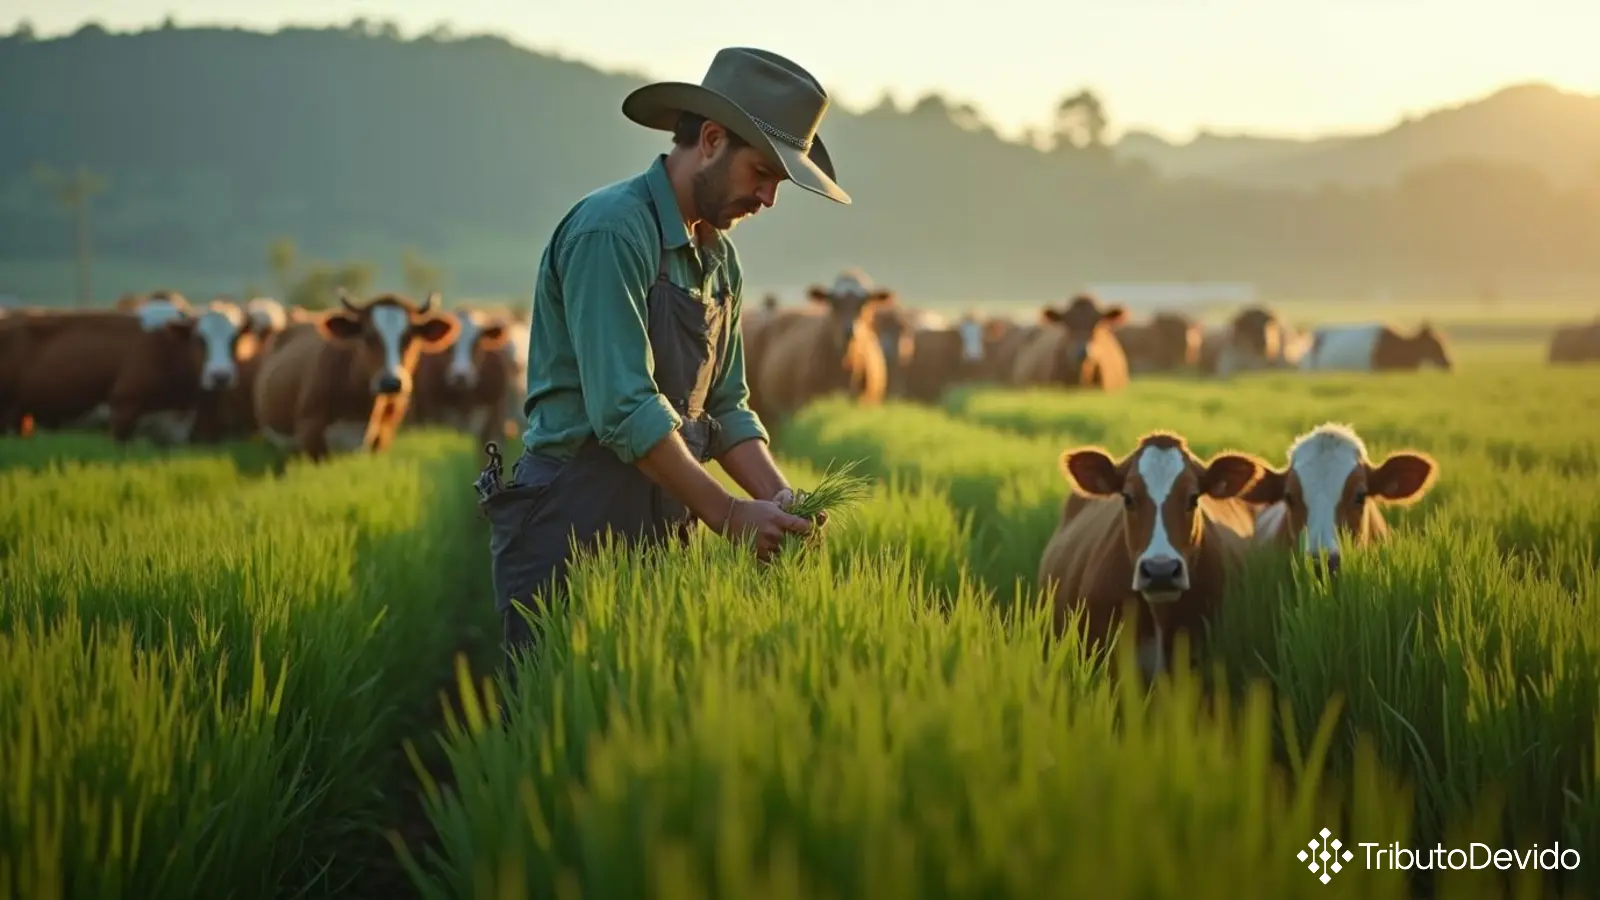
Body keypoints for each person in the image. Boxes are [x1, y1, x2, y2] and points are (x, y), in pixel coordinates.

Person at [480, 46, 852, 690]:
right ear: (710, 140)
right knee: (562, 728)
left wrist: (779, 497)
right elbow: (625, 407)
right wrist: (730, 516)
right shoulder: (611, 231)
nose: (767, 198)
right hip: (573, 516)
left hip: (665, 520)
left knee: (647, 721)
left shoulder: (719, 260)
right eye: (762, 173)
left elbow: (728, 408)